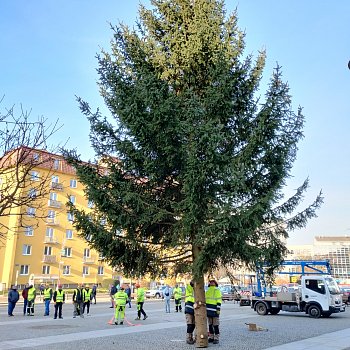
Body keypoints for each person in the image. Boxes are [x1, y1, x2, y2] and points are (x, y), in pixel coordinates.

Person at [205, 279, 222, 344]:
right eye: (211, 282)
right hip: (211, 310)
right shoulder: (208, 291)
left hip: (213, 310)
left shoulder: (216, 290)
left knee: (215, 325)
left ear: (215, 283)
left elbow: (219, 300)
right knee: (211, 325)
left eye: (212, 282)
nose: (211, 283)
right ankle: (212, 337)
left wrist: (218, 309)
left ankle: (216, 338)